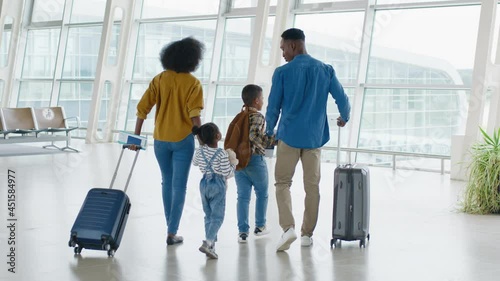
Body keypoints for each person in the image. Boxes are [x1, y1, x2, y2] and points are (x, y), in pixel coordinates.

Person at [265, 28, 351, 251]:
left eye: (283, 48)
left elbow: (273, 107)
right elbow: (342, 97)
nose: (283, 53)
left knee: (282, 183)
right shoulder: (325, 70)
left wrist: (268, 131)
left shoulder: (282, 73)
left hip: (288, 137)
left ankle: (288, 228)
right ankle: (306, 235)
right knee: (312, 187)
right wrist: (345, 116)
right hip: (314, 138)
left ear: (294, 45)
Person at [133, 37, 205, 246]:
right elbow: (195, 115)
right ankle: (172, 231)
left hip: (160, 140)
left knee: (166, 181)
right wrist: (203, 141)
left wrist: (136, 137)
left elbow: (142, 109)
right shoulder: (193, 83)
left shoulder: (160, 79)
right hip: (183, 140)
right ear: (193, 59)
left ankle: (170, 228)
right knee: (179, 186)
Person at [224, 84, 276, 243]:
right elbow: (254, 137)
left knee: (243, 197)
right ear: (256, 100)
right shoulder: (258, 116)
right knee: (262, 194)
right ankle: (260, 226)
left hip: (239, 161)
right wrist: (271, 140)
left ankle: (242, 232)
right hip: (254, 160)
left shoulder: (240, 115)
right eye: (261, 98)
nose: (262, 101)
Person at [192, 123, 238, 259]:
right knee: (218, 217)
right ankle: (209, 242)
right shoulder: (222, 154)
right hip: (217, 185)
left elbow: (195, 163)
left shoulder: (200, 151)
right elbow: (227, 173)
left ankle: (211, 246)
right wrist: (234, 164)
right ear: (218, 136)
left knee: (208, 215)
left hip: (204, 184)